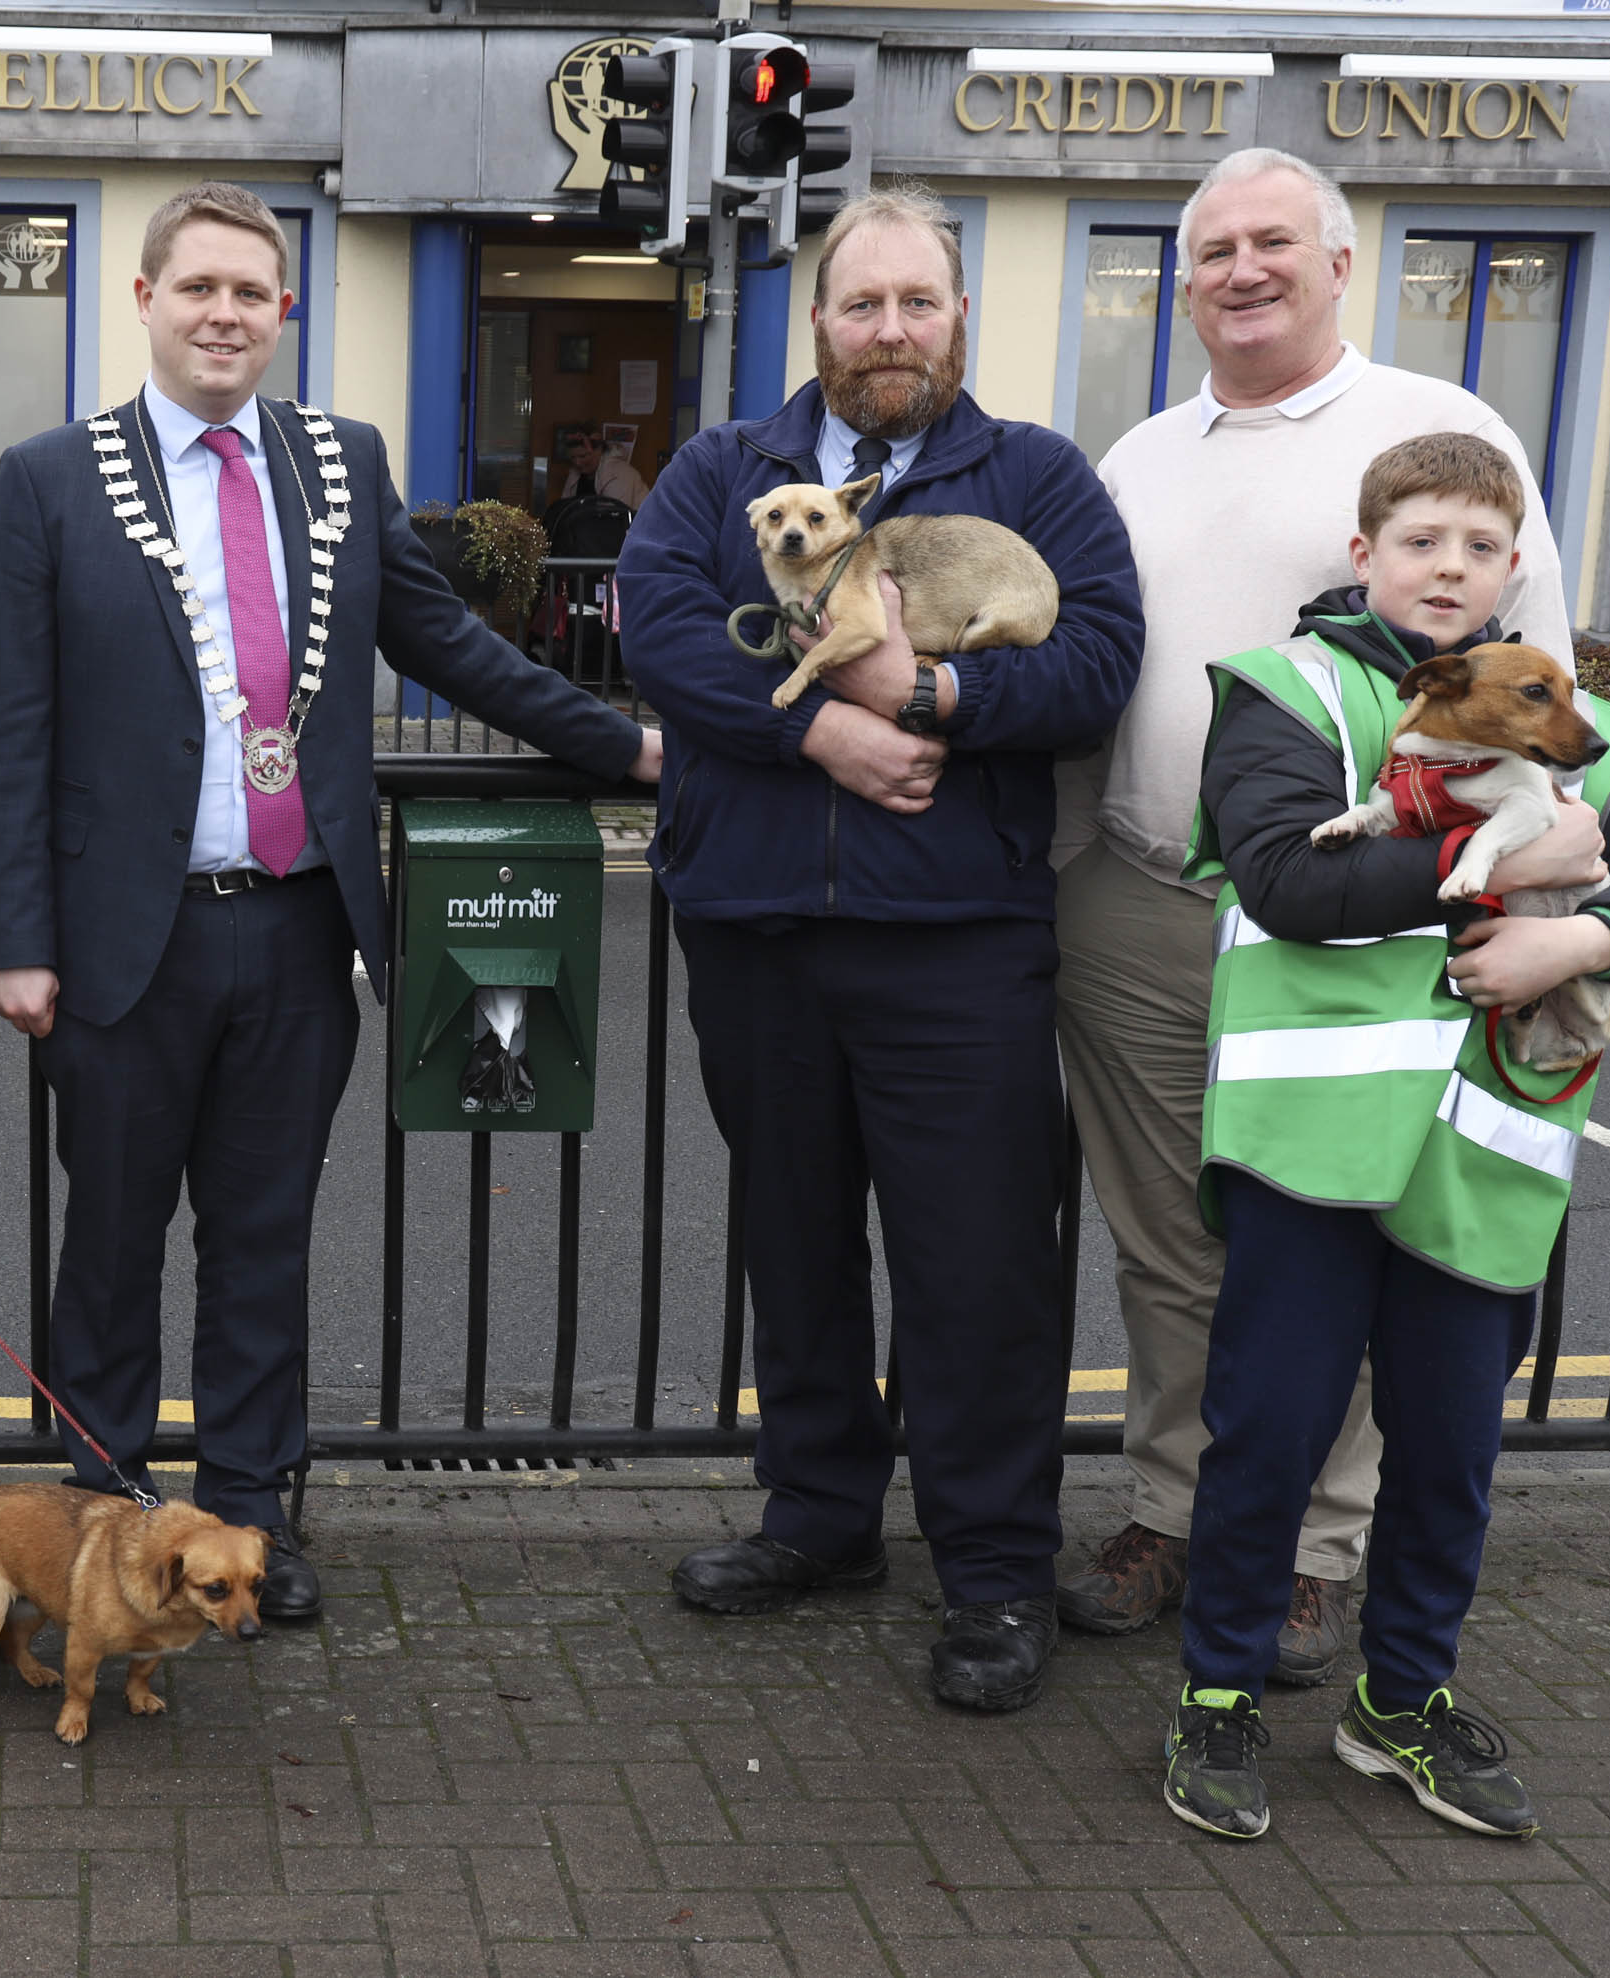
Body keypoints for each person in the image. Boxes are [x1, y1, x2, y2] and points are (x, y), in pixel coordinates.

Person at [0, 181, 660, 1621]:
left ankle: (245, 1532)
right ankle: (99, 1538)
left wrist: (632, 741)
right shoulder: (47, 476)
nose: (225, 313)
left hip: (298, 924)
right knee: (109, 1246)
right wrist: (10, 939)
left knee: (263, 1242)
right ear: (145, 300)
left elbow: (449, 644)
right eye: (198, 286)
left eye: (253, 292)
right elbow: (11, 726)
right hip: (118, 940)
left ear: (283, 313)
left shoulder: (338, 463)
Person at [618, 184, 1143, 1712]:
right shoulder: (727, 468)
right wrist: (828, 740)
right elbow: (654, 630)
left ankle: (991, 1569)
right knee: (794, 1239)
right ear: (820, 322)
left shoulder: (1035, 476)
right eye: (864, 303)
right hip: (758, 928)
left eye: (920, 302)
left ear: (958, 318)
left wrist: (937, 704)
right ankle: (823, 1519)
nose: (892, 329)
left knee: (977, 1263)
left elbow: (1099, 662)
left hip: (958, 940)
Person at [1056, 149, 1577, 1683]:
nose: (1239, 269)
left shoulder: (1443, 435)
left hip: (1360, 912)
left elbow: (1561, 678)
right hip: (1143, 898)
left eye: (1273, 241)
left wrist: (1572, 859)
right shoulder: (1141, 452)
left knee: (1353, 1219)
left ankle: (1308, 1547)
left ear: (1343, 261)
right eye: (1210, 247)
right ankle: (1174, 1507)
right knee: (1172, 1240)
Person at [1159, 432, 1610, 1841]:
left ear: (1514, 566)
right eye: (1421, 540)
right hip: (1312, 1143)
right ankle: (1218, 1694)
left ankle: (1398, 1700)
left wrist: (1579, 937)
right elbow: (1287, 877)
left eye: (1482, 545)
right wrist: (1514, 869)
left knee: (1452, 1447)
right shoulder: (1288, 690)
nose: (1452, 567)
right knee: (1271, 1429)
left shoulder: (1566, 710)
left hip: (1485, 1148)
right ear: (1365, 556)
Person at [556, 427, 650, 513]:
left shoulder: (618, 473)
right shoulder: (575, 473)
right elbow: (564, 508)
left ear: (599, 450)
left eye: (583, 456)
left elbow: (613, 517)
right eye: (573, 457)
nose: (577, 462)